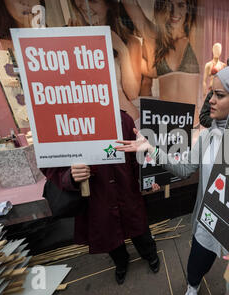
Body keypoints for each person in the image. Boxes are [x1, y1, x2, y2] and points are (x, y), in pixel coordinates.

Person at [115, 63, 229, 295]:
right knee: (197, 262)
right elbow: (184, 169)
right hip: (208, 221)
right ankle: (192, 288)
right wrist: (150, 150)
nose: (211, 100)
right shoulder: (209, 136)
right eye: (211, 93)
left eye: (219, 95)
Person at [41, 111, 159, 286]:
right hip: (97, 197)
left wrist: (148, 178)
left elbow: (137, 156)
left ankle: (150, 254)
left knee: (139, 228)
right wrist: (70, 176)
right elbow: (50, 164)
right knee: (109, 234)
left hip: (127, 190)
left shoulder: (122, 119)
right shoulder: (64, 124)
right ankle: (121, 262)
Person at [72, 0, 143, 122]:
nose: (84, 6)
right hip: (89, 122)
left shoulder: (131, 42)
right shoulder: (72, 39)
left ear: (109, 5)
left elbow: (132, 93)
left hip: (123, 121)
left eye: (93, 2)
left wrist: (122, 50)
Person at [122, 0, 200, 109]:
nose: (174, 12)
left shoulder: (195, 34)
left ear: (188, 8)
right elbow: (130, 4)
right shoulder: (155, 38)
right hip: (163, 121)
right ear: (162, 7)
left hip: (191, 123)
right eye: (169, 5)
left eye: (180, 5)